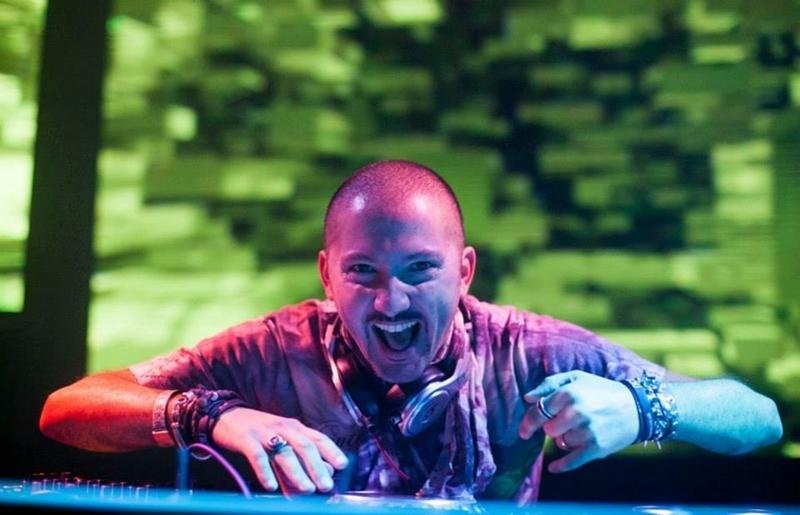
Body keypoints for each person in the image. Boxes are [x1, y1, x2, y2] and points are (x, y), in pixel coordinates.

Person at [39, 160, 783, 503]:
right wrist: (210, 412)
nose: (391, 300)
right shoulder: (274, 349)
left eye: (420, 269)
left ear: (464, 272)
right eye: (362, 271)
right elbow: (66, 408)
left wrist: (648, 408)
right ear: (327, 274)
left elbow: (759, 417)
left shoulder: (525, 349)